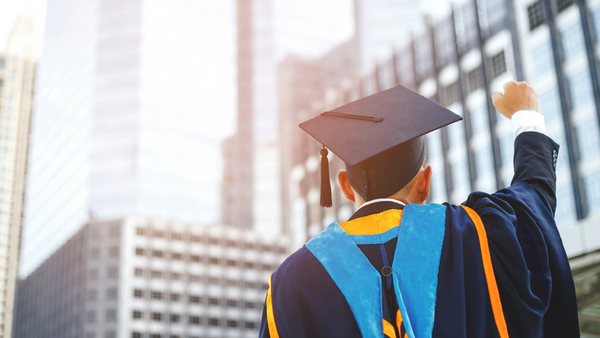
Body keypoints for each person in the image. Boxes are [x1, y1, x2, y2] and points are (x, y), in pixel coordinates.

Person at [259, 81, 579, 338]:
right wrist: (527, 116)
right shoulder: (475, 232)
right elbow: (533, 199)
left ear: (344, 185)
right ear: (424, 182)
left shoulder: (289, 283)